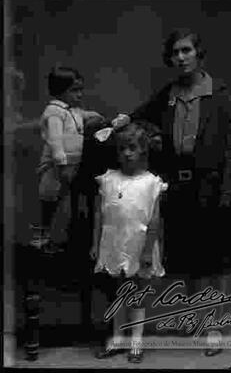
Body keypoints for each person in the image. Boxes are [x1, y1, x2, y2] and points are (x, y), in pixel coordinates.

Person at [129, 28, 231, 356]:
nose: (180, 58)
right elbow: (139, 117)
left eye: (186, 51)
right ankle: (198, 318)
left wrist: (228, 190)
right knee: (191, 257)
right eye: (175, 53)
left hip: (214, 186)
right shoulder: (168, 93)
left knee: (215, 260)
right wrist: (143, 134)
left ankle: (214, 329)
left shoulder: (219, 93)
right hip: (178, 187)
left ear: (198, 53)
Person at [90, 122, 167, 363]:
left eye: (132, 148)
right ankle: (116, 339)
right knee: (116, 295)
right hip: (113, 244)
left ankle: (136, 343)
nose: (126, 153)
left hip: (138, 245)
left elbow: (154, 221)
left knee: (137, 295)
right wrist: (95, 244)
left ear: (143, 150)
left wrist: (147, 251)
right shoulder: (108, 180)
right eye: (122, 148)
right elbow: (99, 215)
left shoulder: (151, 182)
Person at [30, 66, 105, 253]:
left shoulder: (72, 111)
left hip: (72, 165)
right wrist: (61, 162)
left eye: (81, 89)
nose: (80, 94)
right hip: (56, 166)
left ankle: (58, 238)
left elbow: (82, 116)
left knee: (62, 202)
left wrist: (94, 116)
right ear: (59, 90)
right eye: (74, 90)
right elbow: (55, 140)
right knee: (49, 202)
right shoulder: (54, 112)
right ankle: (40, 240)